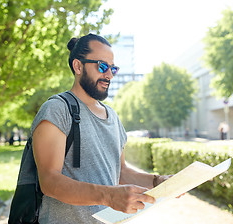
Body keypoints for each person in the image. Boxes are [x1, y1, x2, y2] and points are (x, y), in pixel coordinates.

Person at [31, 33, 172, 224]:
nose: (109, 75)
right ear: (78, 66)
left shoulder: (113, 116)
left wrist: (158, 181)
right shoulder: (57, 109)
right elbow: (49, 182)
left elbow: (120, 172)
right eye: (102, 66)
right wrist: (108, 196)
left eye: (113, 69)